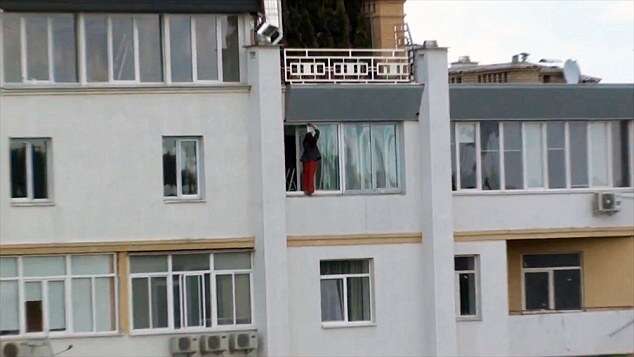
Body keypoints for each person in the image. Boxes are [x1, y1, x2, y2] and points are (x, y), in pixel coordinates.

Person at [300, 123, 321, 195]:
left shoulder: (305, 143)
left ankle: (306, 189)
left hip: (306, 159)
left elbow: (316, 135)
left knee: (306, 174)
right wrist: (314, 127)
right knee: (310, 174)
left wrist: (311, 129)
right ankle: (310, 190)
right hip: (311, 159)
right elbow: (317, 133)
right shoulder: (312, 142)